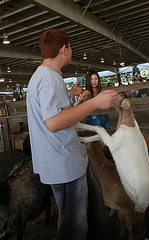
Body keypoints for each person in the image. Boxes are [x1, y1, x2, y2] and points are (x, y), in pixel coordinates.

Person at [26, 29, 118, 240]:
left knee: (91, 209)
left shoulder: (43, 76)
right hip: (63, 161)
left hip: (68, 158)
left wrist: (69, 95)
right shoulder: (49, 79)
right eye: (70, 46)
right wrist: (95, 102)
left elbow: (48, 110)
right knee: (73, 224)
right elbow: (54, 122)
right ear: (64, 48)